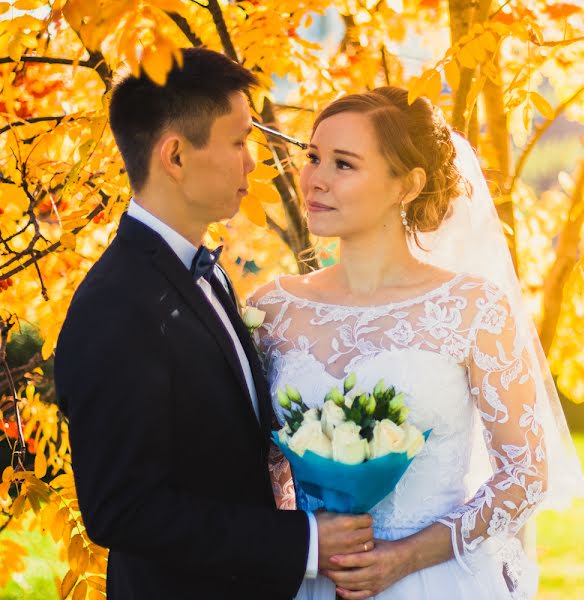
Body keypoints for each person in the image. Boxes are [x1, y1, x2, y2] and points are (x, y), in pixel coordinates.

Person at [54, 47, 373, 600]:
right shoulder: (116, 305)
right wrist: (302, 543)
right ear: (175, 156)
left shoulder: (207, 272)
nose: (253, 162)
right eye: (238, 141)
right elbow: (123, 509)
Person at [249, 87, 584, 599]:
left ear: (407, 185)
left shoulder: (472, 307)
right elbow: (259, 465)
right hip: (313, 580)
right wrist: (303, 544)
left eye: (344, 165)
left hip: (436, 580)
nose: (315, 179)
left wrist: (404, 559)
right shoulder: (273, 309)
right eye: (313, 156)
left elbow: (525, 476)